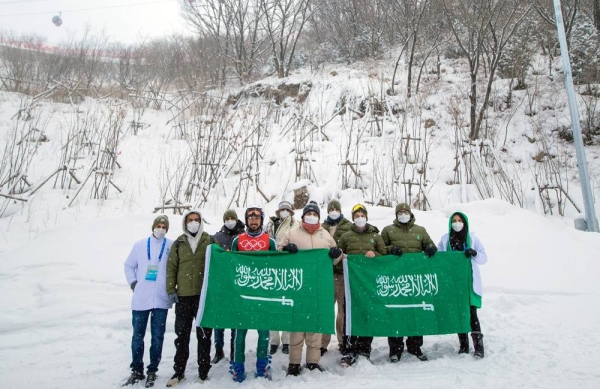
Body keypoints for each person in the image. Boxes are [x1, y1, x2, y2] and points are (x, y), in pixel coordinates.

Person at [278, 201, 342, 376]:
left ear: (319, 218)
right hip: (298, 286)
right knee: (297, 325)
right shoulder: (292, 233)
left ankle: (313, 362)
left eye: (314, 214)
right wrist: (286, 249)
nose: (311, 216)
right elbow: (279, 252)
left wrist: (337, 255)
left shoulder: (325, 235)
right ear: (303, 216)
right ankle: (294, 363)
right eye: (308, 214)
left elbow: (336, 257)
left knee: (315, 325)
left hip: (319, 287)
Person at [381, 203, 437, 363]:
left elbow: (430, 244)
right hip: (396, 281)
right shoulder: (388, 230)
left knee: (415, 312)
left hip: (414, 280)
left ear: (410, 213)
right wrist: (391, 249)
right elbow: (381, 248)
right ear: (396, 214)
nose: (403, 214)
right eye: (400, 212)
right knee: (396, 312)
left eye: (405, 212)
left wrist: (431, 248)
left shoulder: (420, 230)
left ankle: (415, 346)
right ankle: (395, 349)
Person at [122, 216, 174, 388]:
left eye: (164, 227)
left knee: (157, 336)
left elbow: (176, 268)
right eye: (158, 226)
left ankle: (153, 370)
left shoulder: (171, 245)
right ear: (153, 227)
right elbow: (128, 265)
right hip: (141, 298)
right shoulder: (140, 245)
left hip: (160, 298)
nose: (161, 229)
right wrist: (133, 283)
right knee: (138, 336)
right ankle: (137, 370)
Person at [165, 210, 215, 386]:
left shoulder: (210, 240)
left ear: (201, 222)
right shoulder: (179, 243)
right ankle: (179, 372)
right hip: (184, 296)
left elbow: (219, 266)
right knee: (182, 336)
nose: (193, 223)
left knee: (204, 336)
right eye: (190, 220)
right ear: (185, 223)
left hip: (203, 298)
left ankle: (203, 372)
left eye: (196, 220)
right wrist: (171, 289)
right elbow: (171, 267)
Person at [229, 206, 278, 383]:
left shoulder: (269, 241)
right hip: (242, 294)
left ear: (261, 220)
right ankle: (238, 367)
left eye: (257, 216)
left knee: (263, 332)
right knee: (239, 333)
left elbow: (277, 267)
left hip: (262, 294)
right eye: (250, 216)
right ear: (246, 220)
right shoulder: (238, 240)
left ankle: (262, 366)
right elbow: (231, 265)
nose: (253, 220)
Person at [337, 204, 387, 367]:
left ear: (366, 216)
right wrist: (341, 258)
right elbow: (337, 256)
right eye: (356, 215)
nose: (359, 218)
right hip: (350, 283)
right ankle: (349, 348)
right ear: (353, 218)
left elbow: (385, 257)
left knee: (367, 314)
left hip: (369, 283)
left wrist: (376, 254)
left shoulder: (376, 236)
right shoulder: (345, 236)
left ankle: (365, 348)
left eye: (362, 215)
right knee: (349, 315)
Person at [437, 211, 488, 358]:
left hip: (469, 282)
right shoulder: (445, 240)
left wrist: (474, 253)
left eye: (460, 220)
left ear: (464, 223)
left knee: (472, 313)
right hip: (454, 283)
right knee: (459, 313)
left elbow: (484, 258)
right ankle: (464, 345)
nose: (457, 223)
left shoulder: (472, 238)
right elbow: (440, 259)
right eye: (454, 220)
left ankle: (479, 346)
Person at [210, 209, 245, 364]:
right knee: (219, 320)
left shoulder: (243, 237)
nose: (230, 220)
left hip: (238, 284)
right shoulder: (216, 237)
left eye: (233, 218)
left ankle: (233, 349)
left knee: (235, 320)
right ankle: (218, 350)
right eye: (227, 218)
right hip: (221, 283)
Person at [320, 199, 352, 355]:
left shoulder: (348, 226)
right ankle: (322, 343)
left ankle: (342, 340)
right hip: (326, 274)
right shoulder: (321, 227)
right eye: (331, 209)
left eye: (336, 208)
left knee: (342, 310)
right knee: (326, 309)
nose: (333, 211)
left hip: (343, 273)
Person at [266, 200, 296, 355]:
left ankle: (286, 340)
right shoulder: (269, 225)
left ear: (291, 211)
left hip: (288, 268)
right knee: (272, 305)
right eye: (282, 209)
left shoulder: (295, 225)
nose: (284, 211)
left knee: (286, 304)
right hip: (271, 268)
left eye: (287, 209)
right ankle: (274, 340)